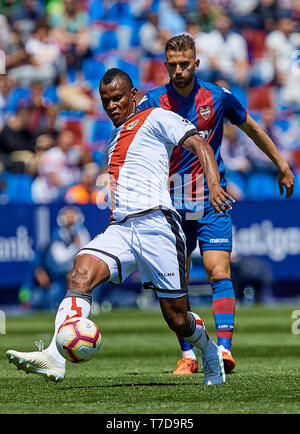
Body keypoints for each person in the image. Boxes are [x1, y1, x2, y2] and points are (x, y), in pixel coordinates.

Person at [6, 68, 235, 385]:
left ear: (134, 96)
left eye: (118, 98)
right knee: (80, 273)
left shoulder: (156, 117)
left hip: (158, 224)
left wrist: (212, 180)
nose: (112, 105)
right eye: (106, 100)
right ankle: (55, 359)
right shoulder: (112, 139)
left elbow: (200, 144)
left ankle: (209, 353)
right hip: (122, 229)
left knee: (177, 318)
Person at [138, 33, 294, 375]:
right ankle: (190, 355)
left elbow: (250, 126)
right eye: (172, 65)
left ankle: (223, 349)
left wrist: (281, 165)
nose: (178, 70)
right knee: (173, 281)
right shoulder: (151, 102)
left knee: (218, 271)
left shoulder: (218, 97)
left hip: (212, 197)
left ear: (196, 63)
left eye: (184, 64)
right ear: (165, 66)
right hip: (171, 202)